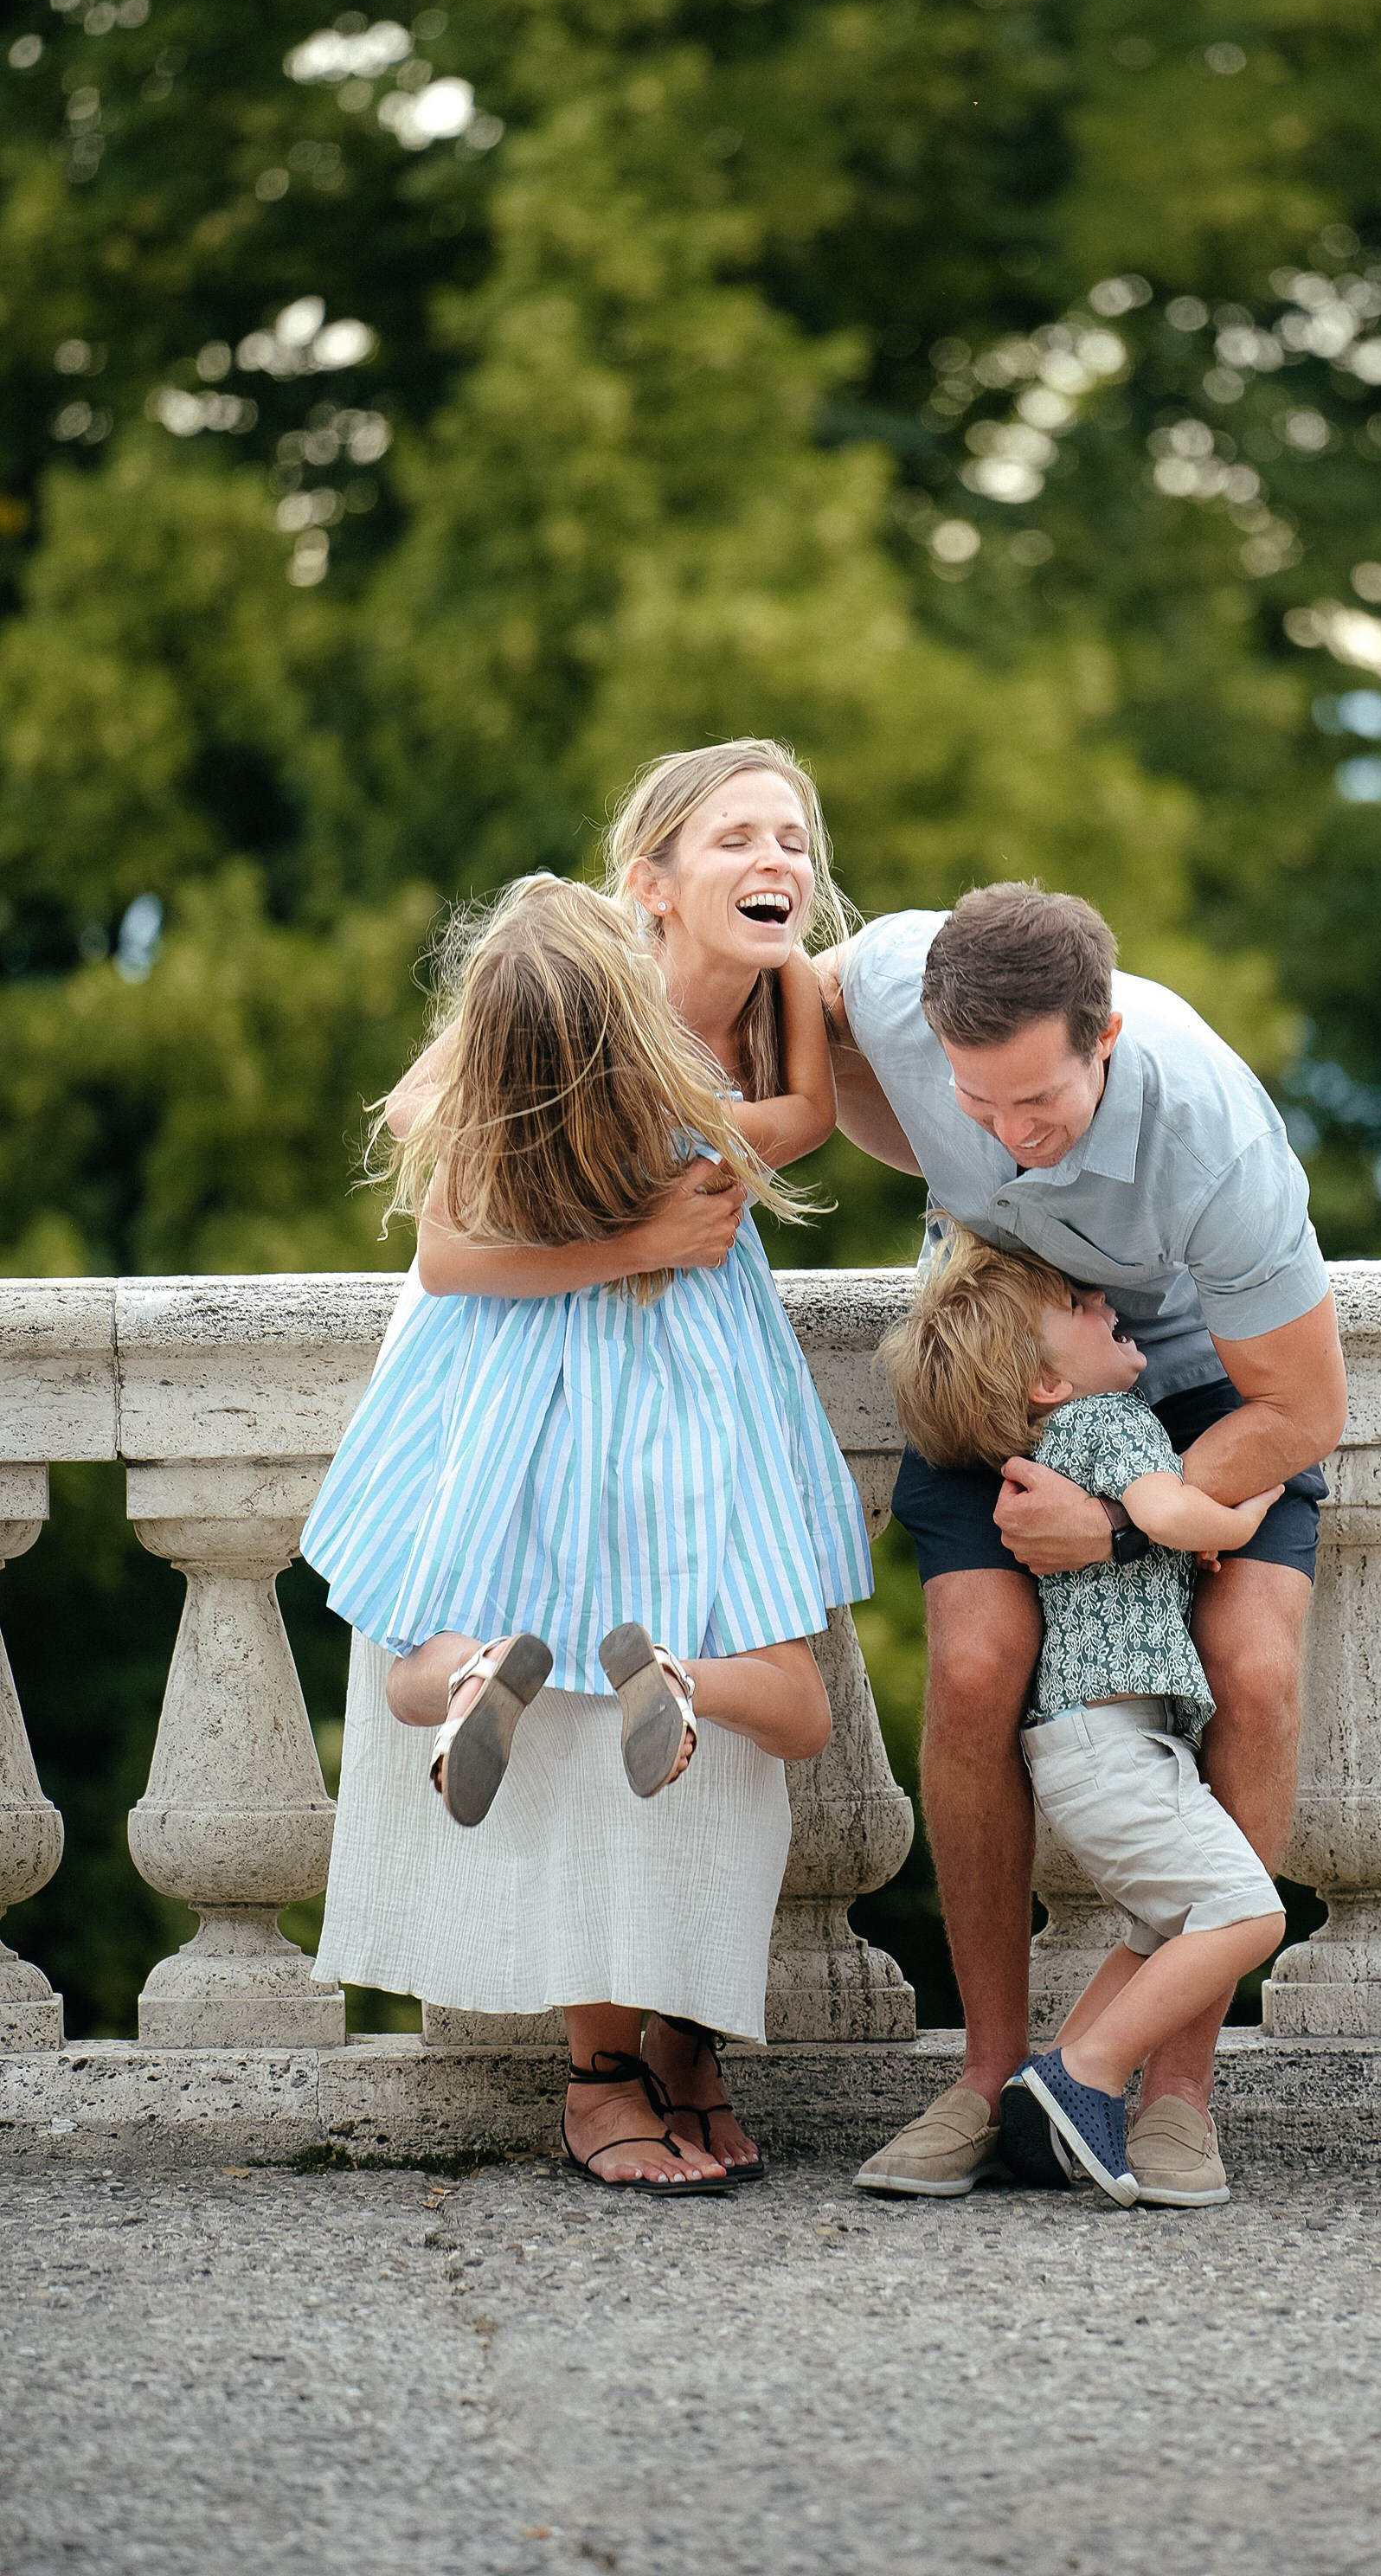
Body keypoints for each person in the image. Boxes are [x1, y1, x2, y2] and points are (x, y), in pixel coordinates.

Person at [311, 741, 870, 2190]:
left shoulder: (792, 986)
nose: (777, 861)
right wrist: (642, 1224)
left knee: (687, 1696)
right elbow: (442, 1242)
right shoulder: (571, 981)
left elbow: (802, 1120)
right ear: (652, 881)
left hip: (692, 1356)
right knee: (581, 1714)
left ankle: (677, 2031)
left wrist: (711, 1130)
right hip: (543, 1347)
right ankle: (606, 2062)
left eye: (794, 838)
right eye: (738, 835)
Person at [824, 883, 1346, 2210]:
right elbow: (786, 1005)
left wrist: (1112, 1522)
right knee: (976, 1664)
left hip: (1190, 1389)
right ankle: (989, 2080)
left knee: (1258, 1667)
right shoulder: (897, 975)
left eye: (1036, 1105)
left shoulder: (1211, 1136)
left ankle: (1171, 2092)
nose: (1005, 1135)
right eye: (974, 1101)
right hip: (1013, 1369)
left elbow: (1304, 1406)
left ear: (1103, 1034)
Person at [881, 1228, 1286, 2206]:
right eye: (1076, 1307)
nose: (1105, 1302)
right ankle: (1087, 2074)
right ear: (1046, 1384)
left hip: (1091, 1743)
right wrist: (1255, 1494)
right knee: (1248, 1913)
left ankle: (1041, 2087)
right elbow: (1179, 1518)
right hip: (1116, 1749)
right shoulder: (1110, 1425)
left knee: (1162, 1928)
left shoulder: (1061, 1435)